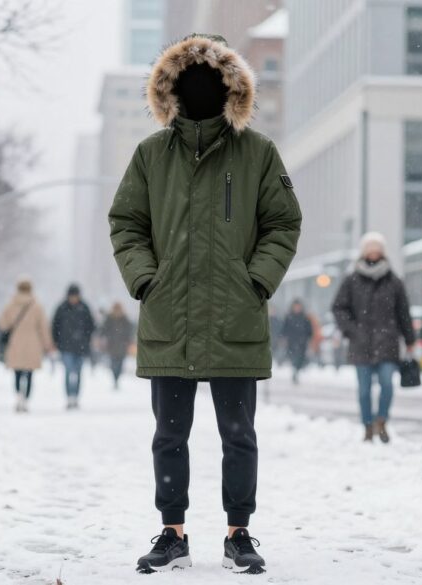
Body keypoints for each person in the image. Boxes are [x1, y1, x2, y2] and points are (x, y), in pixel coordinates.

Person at [109, 34, 301, 575]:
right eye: (186, 81)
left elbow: (284, 222)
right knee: (170, 435)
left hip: (235, 318)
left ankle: (239, 534)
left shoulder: (257, 152)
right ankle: (173, 533)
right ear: (168, 90)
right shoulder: (151, 155)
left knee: (238, 436)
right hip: (170, 316)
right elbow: (126, 222)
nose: (198, 90)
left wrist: (256, 281)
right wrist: (147, 280)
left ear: (230, 89)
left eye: (210, 81)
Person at [332, 232, 415, 444]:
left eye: (377, 248)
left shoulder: (394, 281)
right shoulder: (351, 280)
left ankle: (382, 421)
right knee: (364, 390)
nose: (374, 252)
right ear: (363, 251)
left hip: (387, 342)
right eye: (370, 248)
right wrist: (351, 329)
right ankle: (367, 426)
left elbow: (403, 312)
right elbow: (339, 308)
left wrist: (410, 338)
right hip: (361, 343)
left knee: (387, 384)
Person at [0, 277, 52, 413]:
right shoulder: (37, 306)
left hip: (15, 343)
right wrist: (48, 344)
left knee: (17, 372)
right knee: (29, 373)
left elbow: (2, 324)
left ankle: (18, 396)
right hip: (33, 344)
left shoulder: (10, 305)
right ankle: (25, 399)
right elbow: (43, 327)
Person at [51, 284, 95, 409]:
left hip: (81, 346)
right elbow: (55, 325)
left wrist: (86, 338)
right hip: (66, 346)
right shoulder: (62, 308)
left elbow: (91, 326)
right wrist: (56, 341)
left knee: (79, 372)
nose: (74, 298)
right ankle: (69, 396)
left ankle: (76, 396)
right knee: (68, 371)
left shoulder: (84, 308)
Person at [101, 303, 134, 389]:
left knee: (120, 364)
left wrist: (129, 341)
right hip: (112, 346)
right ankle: (115, 378)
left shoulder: (125, 319)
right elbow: (104, 329)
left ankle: (117, 378)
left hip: (122, 346)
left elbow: (129, 330)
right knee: (113, 364)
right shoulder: (109, 318)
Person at [281, 300, 313, 384]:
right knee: (293, 357)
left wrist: (308, 338)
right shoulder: (289, 317)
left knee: (300, 358)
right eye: (295, 306)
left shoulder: (305, 317)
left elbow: (309, 330)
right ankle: (295, 370)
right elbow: (284, 329)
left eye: (298, 306)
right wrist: (284, 338)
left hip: (302, 342)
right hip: (292, 342)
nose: (297, 308)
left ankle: (296, 370)